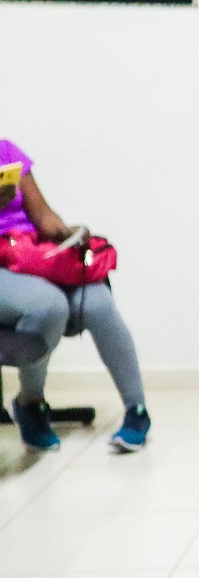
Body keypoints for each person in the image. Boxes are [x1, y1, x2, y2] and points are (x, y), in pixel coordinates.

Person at [0, 138, 149, 452]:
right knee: (48, 305)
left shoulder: (6, 151)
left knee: (96, 301)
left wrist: (67, 235)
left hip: (30, 253)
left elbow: (43, 217)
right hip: (3, 264)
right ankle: (30, 403)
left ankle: (137, 410)